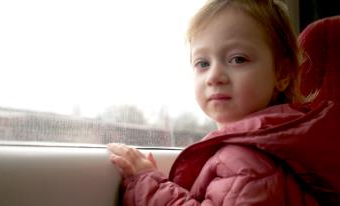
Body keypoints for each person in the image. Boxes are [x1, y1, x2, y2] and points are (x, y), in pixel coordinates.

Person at [107, 0, 340, 205]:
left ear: (282, 74)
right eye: (202, 63)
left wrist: (147, 181)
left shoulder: (246, 161)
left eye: (238, 59)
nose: (214, 76)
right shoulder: (263, 146)